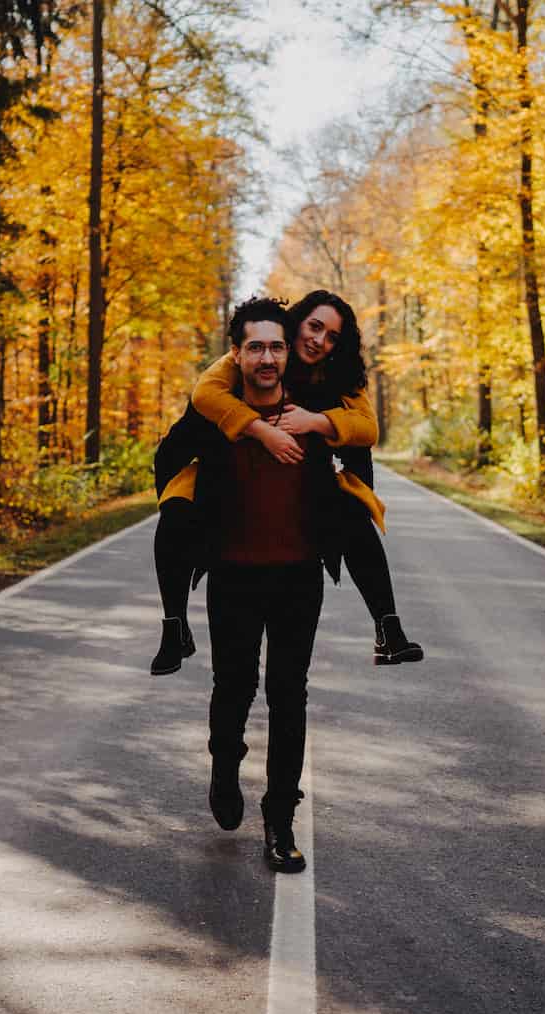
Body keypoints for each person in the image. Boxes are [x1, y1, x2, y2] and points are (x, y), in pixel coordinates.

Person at [153, 296, 344, 873]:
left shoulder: (313, 413)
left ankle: (280, 821)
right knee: (232, 687)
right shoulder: (216, 416)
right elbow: (165, 460)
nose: (267, 357)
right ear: (236, 354)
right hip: (233, 577)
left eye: (277, 347)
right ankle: (223, 763)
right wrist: (187, 519)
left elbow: (358, 462)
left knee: (290, 696)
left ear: (289, 353)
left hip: (297, 579)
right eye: (256, 347)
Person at [149, 289, 422, 675]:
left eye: (332, 337)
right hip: (211, 461)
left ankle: (388, 627)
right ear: (297, 322)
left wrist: (316, 421)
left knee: (352, 515)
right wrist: (261, 430)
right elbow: (204, 393)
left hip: (307, 484)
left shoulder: (338, 374)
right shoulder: (258, 351)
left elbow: (367, 427)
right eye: (314, 327)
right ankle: (174, 626)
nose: (319, 341)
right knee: (175, 515)